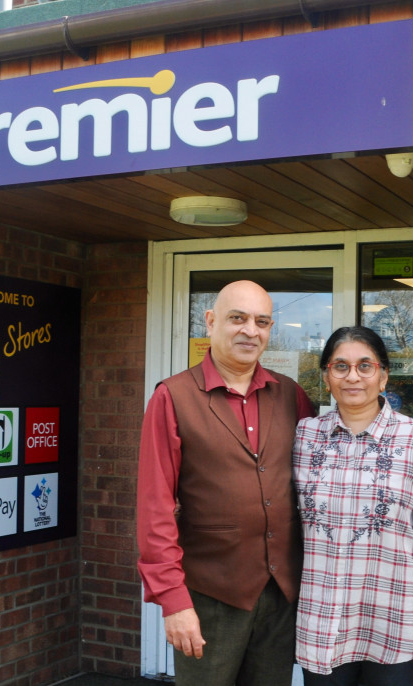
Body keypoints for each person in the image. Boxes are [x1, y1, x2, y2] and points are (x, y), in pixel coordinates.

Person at [137, 280, 316, 686]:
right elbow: (154, 507)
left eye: (262, 321)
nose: (250, 330)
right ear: (211, 322)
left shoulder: (289, 395)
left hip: (282, 596)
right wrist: (172, 600)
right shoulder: (173, 397)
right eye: (238, 318)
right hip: (210, 597)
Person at [292, 326, 413, 685]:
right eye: (340, 366)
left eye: (365, 366)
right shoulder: (304, 437)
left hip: (394, 625)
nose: (353, 376)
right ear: (326, 377)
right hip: (323, 624)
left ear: (383, 376)